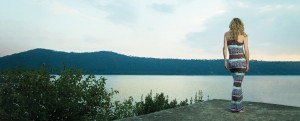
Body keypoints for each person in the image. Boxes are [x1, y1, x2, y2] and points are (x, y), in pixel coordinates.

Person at [223, 18, 249, 113]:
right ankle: (235, 107)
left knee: (237, 83)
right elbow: (246, 50)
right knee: (237, 85)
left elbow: (224, 49)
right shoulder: (244, 35)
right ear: (240, 25)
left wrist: (225, 61)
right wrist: (247, 63)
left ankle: (240, 106)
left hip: (232, 62)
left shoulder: (226, 34)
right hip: (240, 62)